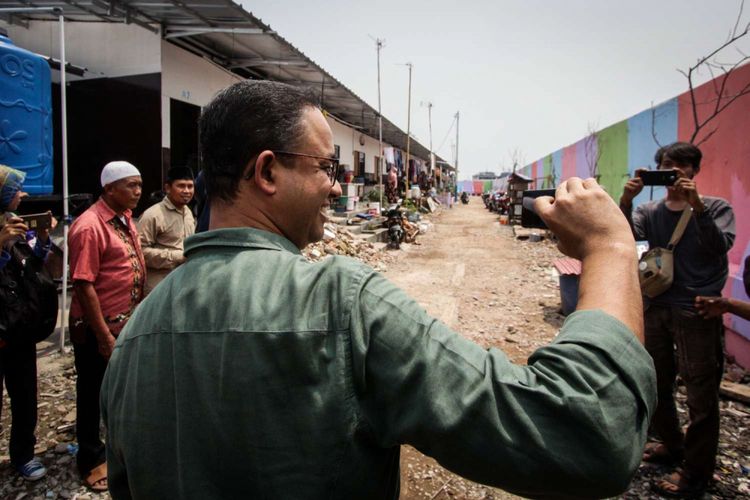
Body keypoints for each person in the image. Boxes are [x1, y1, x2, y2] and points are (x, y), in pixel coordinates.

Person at [101, 81, 656, 499]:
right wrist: (609, 249)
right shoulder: (341, 301)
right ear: (267, 172)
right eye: (325, 167)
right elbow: (588, 432)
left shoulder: (137, 335)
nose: (335, 186)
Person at [620, 142, 735, 497]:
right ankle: (673, 445)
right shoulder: (650, 211)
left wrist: (697, 206)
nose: (675, 172)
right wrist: (625, 202)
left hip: (696, 310)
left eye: (682, 166)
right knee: (655, 383)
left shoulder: (716, 207)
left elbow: (719, 247)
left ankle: (695, 476)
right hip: (656, 306)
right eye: (668, 166)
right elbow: (628, 241)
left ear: (694, 170)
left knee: (701, 396)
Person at [68, 161, 146, 492]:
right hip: (97, 328)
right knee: (92, 391)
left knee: (119, 388)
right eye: (131, 185)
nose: (138, 191)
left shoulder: (124, 219)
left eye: (140, 185)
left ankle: (118, 445)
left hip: (125, 324)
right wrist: (102, 336)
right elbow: (84, 285)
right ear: (110, 188)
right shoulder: (89, 227)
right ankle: (89, 457)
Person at [0, 165, 54, 481]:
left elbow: (31, 268)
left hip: (18, 328)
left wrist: (43, 240)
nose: (23, 195)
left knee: (24, 396)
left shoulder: (13, 226)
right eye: (16, 190)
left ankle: (23, 454)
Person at [137, 166, 195, 294]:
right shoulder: (153, 215)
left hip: (182, 283)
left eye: (190, 186)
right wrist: (176, 257)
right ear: (168, 188)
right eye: (181, 186)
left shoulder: (188, 213)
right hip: (159, 288)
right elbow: (139, 252)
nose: (186, 191)